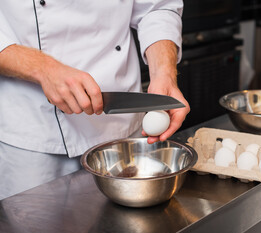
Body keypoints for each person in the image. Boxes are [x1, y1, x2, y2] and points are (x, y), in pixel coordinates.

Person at [0, 1, 190, 200]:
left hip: (120, 133)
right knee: (35, 226)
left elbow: (157, 7)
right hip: (33, 135)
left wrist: (164, 73)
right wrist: (42, 68)